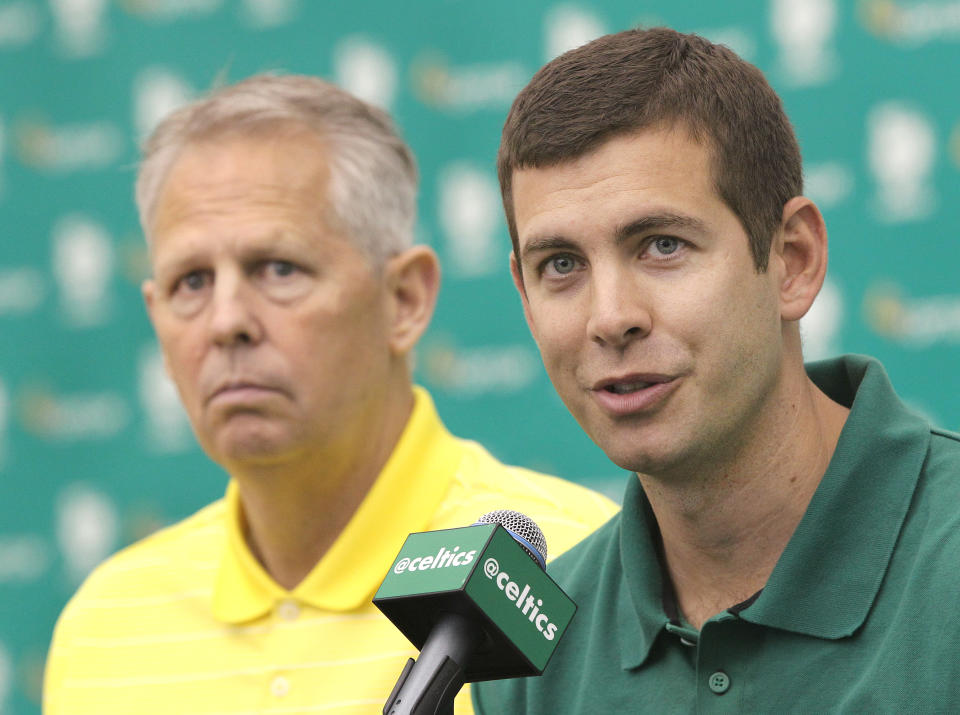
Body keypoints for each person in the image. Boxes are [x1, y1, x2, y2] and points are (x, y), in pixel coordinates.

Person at [42, 74, 618, 715]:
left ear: (404, 299)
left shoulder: (572, 567)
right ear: (155, 315)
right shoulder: (104, 626)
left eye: (278, 269)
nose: (225, 320)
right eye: (191, 282)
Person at [473, 27, 960, 713]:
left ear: (792, 260)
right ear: (524, 298)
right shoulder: (529, 649)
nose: (611, 317)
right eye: (562, 265)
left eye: (661, 245)